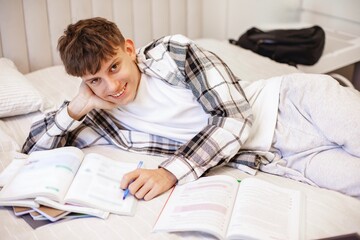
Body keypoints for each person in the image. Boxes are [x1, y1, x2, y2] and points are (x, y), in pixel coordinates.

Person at [22, 17, 360, 200]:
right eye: (94, 80)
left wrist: (169, 172)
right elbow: (31, 150)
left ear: (128, 48)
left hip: (294, 104)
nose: (111, 87)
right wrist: (75, 108)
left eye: (114, 67)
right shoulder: (101, 114)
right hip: (278, 157)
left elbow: (234, 117)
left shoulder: (174, 53)